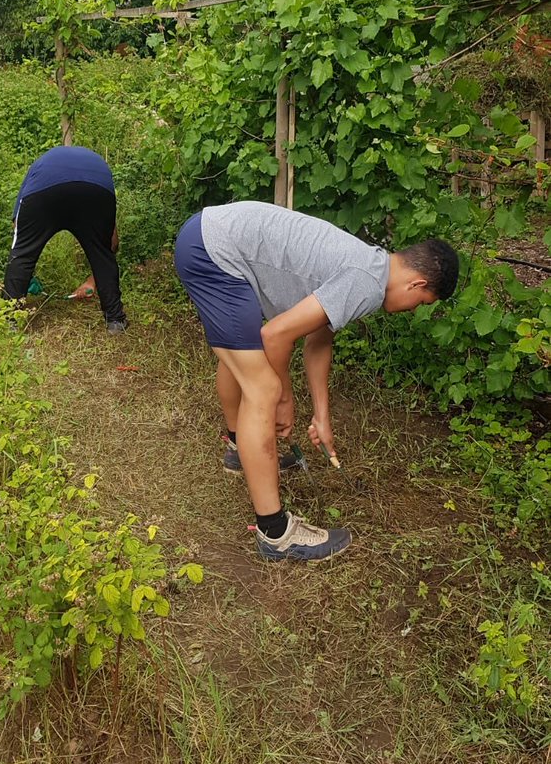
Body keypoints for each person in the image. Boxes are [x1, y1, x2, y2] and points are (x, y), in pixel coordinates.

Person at [174, 201, 459, 562]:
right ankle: (275, 533)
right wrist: (284, 398)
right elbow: (276, 335)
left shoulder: (371, 264)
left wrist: (321, 416)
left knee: (240, 356)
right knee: (263, 387)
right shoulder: (368, 282)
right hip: (213, 250)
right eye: (421, 301)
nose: (414, 308)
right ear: (417, 283)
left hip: (205, 237)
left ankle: (237, 449)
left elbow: (318, 338)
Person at [3, 146, 127, 332]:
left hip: (45, 189)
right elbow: (112, 243)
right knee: (102, 253)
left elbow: (18, 230)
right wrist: (94, 278)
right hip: (95, 190)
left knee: (23, 253)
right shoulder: (98, 167)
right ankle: (115, 321)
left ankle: (9, 320)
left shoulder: (38, 168)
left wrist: (24, 275)